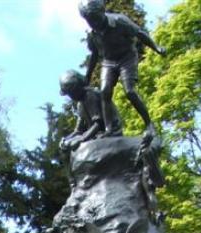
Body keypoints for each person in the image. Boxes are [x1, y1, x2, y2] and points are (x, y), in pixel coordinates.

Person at [79, 0, 166, 136]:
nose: (94, 23)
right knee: (104, 92)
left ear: (102, 12)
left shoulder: (119, 21)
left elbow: (140, 34)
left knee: (129, 91)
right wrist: (88, 76)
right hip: (108, 61)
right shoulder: (92, 34)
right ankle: (109, 130)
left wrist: (156, 47)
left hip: (127, 58)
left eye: (95, 19)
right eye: (90, 21)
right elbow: (94, 55)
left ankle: (149, 124)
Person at [59, 70, 122, 153]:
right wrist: (66, 139)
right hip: (97, 134)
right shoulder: (80, 104)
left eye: (71, 92)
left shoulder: (90, 95)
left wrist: (81, 139)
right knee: (72, 144)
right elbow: (78, 130)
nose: (71, 96)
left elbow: (98, 124)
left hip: (110, 133)